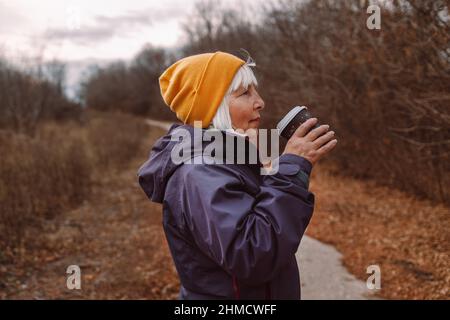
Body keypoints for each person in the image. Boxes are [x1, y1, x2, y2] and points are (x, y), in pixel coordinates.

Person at [137, 51, 337, 299]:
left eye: (255, 90)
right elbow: (253, 254)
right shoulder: (200, 171)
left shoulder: (224, 160)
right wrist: (292, 168)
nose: (260, 102)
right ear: (213, 106)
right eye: (245, 93)